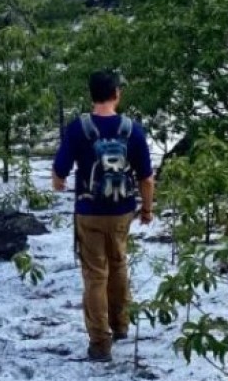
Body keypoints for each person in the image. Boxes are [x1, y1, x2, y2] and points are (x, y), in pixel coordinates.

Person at [52, 70, 154, 362]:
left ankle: (100, 343)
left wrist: (59, 183)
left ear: (91, 95)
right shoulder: (132, 129)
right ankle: (121, 326)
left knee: (95, 276)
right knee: (119, 264)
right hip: (122, 210)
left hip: (89, 211)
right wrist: (146, 209)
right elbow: (146, 178)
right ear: (116, 93)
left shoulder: (78, 128)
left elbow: (60, 172)